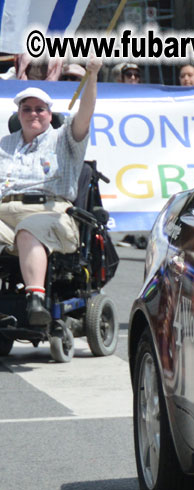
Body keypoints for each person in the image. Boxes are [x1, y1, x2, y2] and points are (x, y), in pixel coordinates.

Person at [0, 59, 103, 326]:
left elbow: (85, 112)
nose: (33, 114)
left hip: (50, 212)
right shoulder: (4, 145)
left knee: (28, 228)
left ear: (49, 113)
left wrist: (91, 76)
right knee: (21, 227)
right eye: (27, 109)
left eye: (40, 109)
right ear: (18, 114)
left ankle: (35, 300)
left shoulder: (63, 138)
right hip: (5, 212)